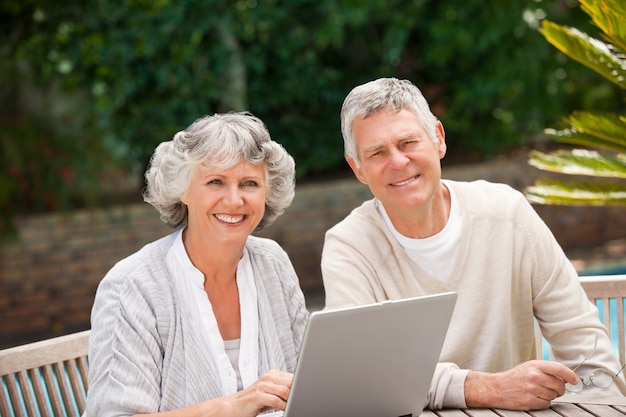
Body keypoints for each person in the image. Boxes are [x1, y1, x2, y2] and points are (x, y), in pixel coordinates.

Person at [321, 77, 626, 411]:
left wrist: (603, 405)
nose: (397, 162)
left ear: (438, 139)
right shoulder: (348, 247)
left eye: (408, 142)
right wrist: (485, 388)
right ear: (358, 169)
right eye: (377, 152)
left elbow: (588, 350)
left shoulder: (508, 214)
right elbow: (361, 376)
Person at [86, 112, 309, 416]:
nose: (233, 200)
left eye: (249, 183)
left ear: (267, 193)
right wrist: (238, 405)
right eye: (215, 181)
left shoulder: (273, 263)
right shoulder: (132, 286)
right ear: (183, 189)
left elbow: (309, 382)